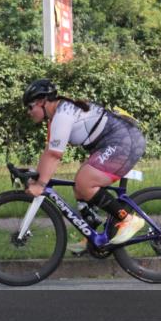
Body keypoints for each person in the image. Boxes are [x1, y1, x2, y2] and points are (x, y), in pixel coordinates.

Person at [21, 78, 146, 253]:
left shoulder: (62, 115)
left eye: (30, 106)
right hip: (114, 141)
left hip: (124, 141)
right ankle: (90, 237)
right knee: (80, 188)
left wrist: (40, 185)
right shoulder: (56, 116)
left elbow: (55, 155)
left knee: (85, 182)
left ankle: (127, 220)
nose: (28, 112)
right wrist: (36, 177)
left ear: (42, 102)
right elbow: (49, 152)